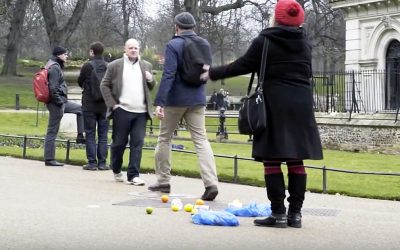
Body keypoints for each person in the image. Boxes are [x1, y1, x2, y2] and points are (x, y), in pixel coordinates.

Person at [202, 0, 323, 227]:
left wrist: (213, 73)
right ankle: (295, 215)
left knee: (272, 158)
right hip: (301, 104)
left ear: (276, 18)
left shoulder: (265, 40)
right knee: (296, 159)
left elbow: (243, 64)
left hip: (274, 103)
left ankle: (278, 213)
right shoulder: (305, 42)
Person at [148, 12, 219, 201]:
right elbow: (206, 71)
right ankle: (211, 183)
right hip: (197, 98)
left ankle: (163, 180)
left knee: (164, 138)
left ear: (176, 27)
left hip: (175, 100)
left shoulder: (173, 45)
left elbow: (169, 74)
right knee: (201, 141)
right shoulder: (204, 44)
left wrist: (160, 102)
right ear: (194, 27)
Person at [100, 38, 156, 185]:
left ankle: (133, 175)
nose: (133, 50)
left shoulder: (146, 66)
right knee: (119, 143)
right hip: (122, 110)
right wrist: (112, 104)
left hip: (141, 112)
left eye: (136, 48)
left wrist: (151, 80)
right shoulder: (115, 65)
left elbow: (150, 87)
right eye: (130, 48)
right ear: (124, 49)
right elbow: (104, 85)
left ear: (139, 50)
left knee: (137, 143)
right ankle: (117, 169)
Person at [44, 46, 85, 167]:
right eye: (65, 54)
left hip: (60, 101)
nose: (67, 56)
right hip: (56, 103)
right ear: (59, 55)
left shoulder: (51, 64)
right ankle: (49, 159)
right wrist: (60, 102)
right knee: (52, 131)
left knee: (80, 110)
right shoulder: (55, 67)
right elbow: (53, 88)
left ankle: (80, 136)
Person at [78, 42, 109, 171]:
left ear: (92, 52)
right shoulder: (108, 66)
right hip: (104, 104)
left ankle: (92, 162)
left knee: (90, 133)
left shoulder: (87, 66)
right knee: (103, 134)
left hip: (89, 104)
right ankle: (102, 163)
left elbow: (80, 82)